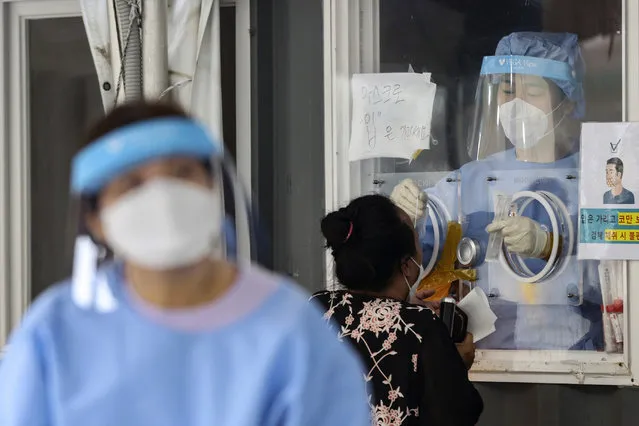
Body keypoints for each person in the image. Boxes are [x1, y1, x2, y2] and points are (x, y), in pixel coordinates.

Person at [0, 101, 371, 426]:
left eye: (181, 173)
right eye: (132, 183)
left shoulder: (290, 330)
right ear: (96, 218)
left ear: (212, 186)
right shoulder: (54, 334)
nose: (162, 197)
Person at [391, 32, 604, 351]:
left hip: (579, 364)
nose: (516, 103)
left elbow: (621, 276)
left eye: (532, 90)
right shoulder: (473, 179)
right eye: (507, 90)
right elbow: (413, 262)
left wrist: (553, 245)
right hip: (488, 361)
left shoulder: (598, 177)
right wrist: (402, 218)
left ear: (567, 100)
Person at [312, 194, 483, 426]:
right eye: (417, 237)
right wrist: (455, 365)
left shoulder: (316, 309)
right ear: (406, 264)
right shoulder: (421, 328)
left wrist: (404, 310)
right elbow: (456, 415)